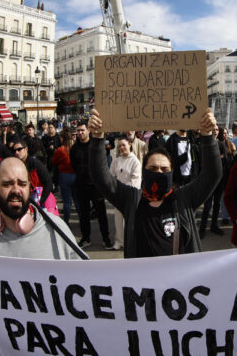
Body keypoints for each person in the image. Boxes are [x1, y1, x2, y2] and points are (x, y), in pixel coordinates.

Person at [88, 108, 221, 258]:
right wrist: (97, 138)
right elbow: (101, 177)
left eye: (164, 169)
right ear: (144, 171)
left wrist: (207, 136)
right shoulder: (132, 200)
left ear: (171, 171)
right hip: (142, 278)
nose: (158, 172)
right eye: (153, 168)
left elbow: (212, 174)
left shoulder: (184, 199)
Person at [70, 121, 112, 249]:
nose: (80, 133)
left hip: (96, 186)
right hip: (81, 185)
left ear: (88, 130)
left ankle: (106, 238)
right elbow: (73, 166)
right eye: (78, 131)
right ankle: (85, 238)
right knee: (83, 214)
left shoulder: (95, 145)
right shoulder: (74, 148)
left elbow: (102, 163)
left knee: (101, 213)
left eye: (82, 130)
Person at [109, 136, 142, 250]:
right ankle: (119, 241)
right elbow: (111, 176)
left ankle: (131, 241)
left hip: (131, 196)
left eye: (123, 145)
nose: (121, 148)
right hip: (118, 195)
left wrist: (128, 194)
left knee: (130, 221)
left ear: (130, 145)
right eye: (119, 146)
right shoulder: (116, 160)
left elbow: (135, 181)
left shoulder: (135, 161)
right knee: (118, 220)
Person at [199, 125, 228, 238]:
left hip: (219, 180)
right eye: (213, 130)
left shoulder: (221, 144)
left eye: (217, 130)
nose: (215, 131)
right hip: (208, 179)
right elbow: (203, 161)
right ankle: (202, 228)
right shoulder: (204, 144)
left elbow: (225, 159)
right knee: (207, 205)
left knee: (217, 204)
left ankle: (214, 225)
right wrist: (217, 158)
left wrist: (214, 159)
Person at [13, 139, 53, 207]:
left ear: (26, 149)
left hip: (40, 201)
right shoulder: (15, 166)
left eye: (19, 149)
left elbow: (48, 183)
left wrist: (41, 201)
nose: (16, 152)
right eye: (14, 150)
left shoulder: (35, 164)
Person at [51, 128, 78, 225]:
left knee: (66, 202)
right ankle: (82, 220)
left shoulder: (60, 150)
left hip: (64, 175)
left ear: (62, 138)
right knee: (76, 200)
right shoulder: (74, 148)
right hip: (75, 175)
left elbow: (53, 161)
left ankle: (66, 222)